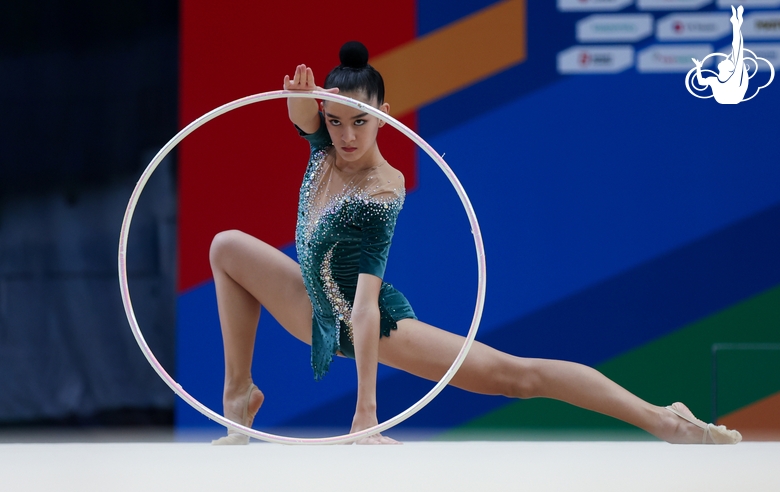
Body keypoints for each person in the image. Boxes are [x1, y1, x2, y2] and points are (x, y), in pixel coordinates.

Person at [210, 41, 741, 445]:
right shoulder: (325, 140)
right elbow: (304, 115)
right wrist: (302, 104)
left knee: (514, 375)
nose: (347, 136)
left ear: (385, 115)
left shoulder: (381, 187)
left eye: (361, 122)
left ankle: (663, 419)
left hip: (366, 319)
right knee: (226, 245)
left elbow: (366, 307)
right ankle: (240, 393)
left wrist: (366, 414)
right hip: (311, 303)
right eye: (335, 121)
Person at [692, 5, 749, 104]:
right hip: (728, 98)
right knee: (737, 51)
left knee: (737, 50)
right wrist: (698, 67)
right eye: (727, 60)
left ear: (729, 68)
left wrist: (736, 26)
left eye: (726, 61)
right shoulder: (715, 80)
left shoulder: (734, 77)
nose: (724, 59)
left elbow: (737, 48)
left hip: (733, 97)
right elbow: (701, 82)